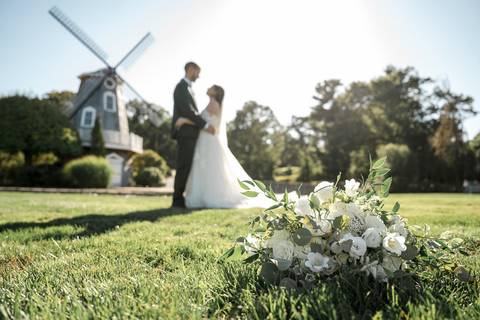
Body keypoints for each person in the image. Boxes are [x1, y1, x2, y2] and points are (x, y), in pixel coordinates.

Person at [171, 62, 216, 208]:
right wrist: (205, 125)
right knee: (183, 165)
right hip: (185, 134)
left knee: (187, 165)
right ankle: (177, 199)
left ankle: (180, 197)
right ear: (190, 69)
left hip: (190, 133)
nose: (199, 75)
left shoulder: (188, 88)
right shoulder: (181, 87)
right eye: (198, 72)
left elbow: (189, 113)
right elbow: (188, 111)